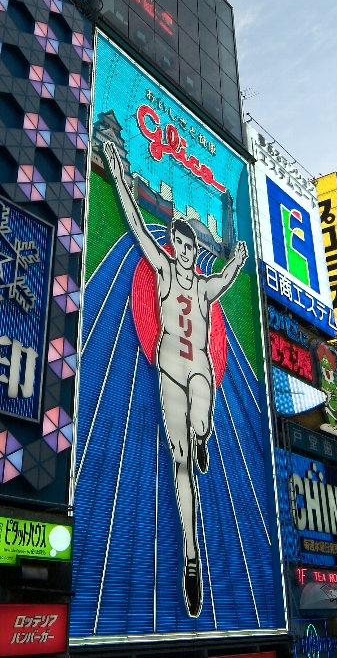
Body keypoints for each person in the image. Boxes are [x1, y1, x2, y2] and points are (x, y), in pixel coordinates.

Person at [103, 141, 247, 617]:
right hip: (168, 370)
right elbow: (139, 228)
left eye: (189, 246)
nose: (185, 251)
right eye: (180, 244)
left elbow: (225, 276)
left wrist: (239, 260)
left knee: (202, 417)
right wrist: (121, 178)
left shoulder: (204, 287)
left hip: (200, 370)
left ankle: (204, 434)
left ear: (195, 251)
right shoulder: (163, 270)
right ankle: (191, 560)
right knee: (181, 463)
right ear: (175, 245)